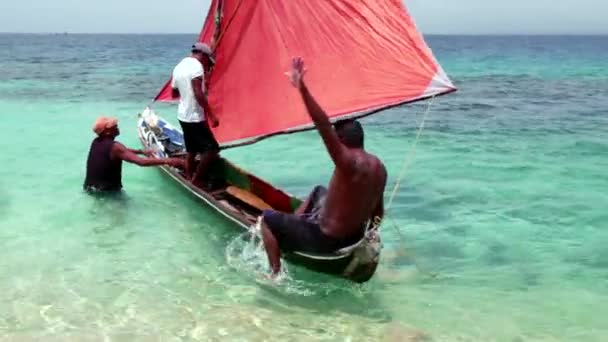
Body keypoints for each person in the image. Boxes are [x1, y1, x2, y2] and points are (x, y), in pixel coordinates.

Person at [261, 57, 388, 277]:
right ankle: (299, 222)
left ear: (341, 140)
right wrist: (371, 234)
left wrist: (302, 88)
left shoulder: (347, 161)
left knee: (267, 220)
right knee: (319, 191)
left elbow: (322, 124)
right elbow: (377, 212)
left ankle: (274, 275)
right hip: (353, 238)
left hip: (326, 240)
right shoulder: (379, 168)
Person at [83, 116, 184, 193]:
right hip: (108, 192)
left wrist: (141, 152)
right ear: (107, 132)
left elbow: (123, 151)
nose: (117, 126)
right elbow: (141, 162)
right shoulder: (115, 147)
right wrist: (168, 161)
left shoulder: (96, 141)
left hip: (90, 188)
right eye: (114, 126)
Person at [171, 42, 221, 184]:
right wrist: (211, 115)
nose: (206, 65)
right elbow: (198, 93)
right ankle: (197, 180)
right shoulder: (197, 66)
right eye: (207, 61)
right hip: (194, 117)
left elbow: (174, 93)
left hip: (182, 115)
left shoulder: (179, 66)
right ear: (203, 55)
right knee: (212, 149)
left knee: (192, 149)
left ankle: (188, 176)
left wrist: (186, 92)